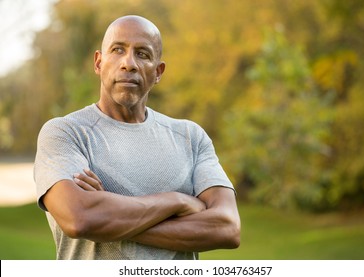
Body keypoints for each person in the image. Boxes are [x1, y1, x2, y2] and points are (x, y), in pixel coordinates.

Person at [34, 15, 240, 260]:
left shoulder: (190, 137)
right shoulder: (66, 133)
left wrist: (108, 215)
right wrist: (177, 202)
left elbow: (227, 228)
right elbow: (79, 219)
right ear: (99, 63)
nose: (128, 63)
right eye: (118, 50)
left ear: (158, 72)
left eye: (142, 54)